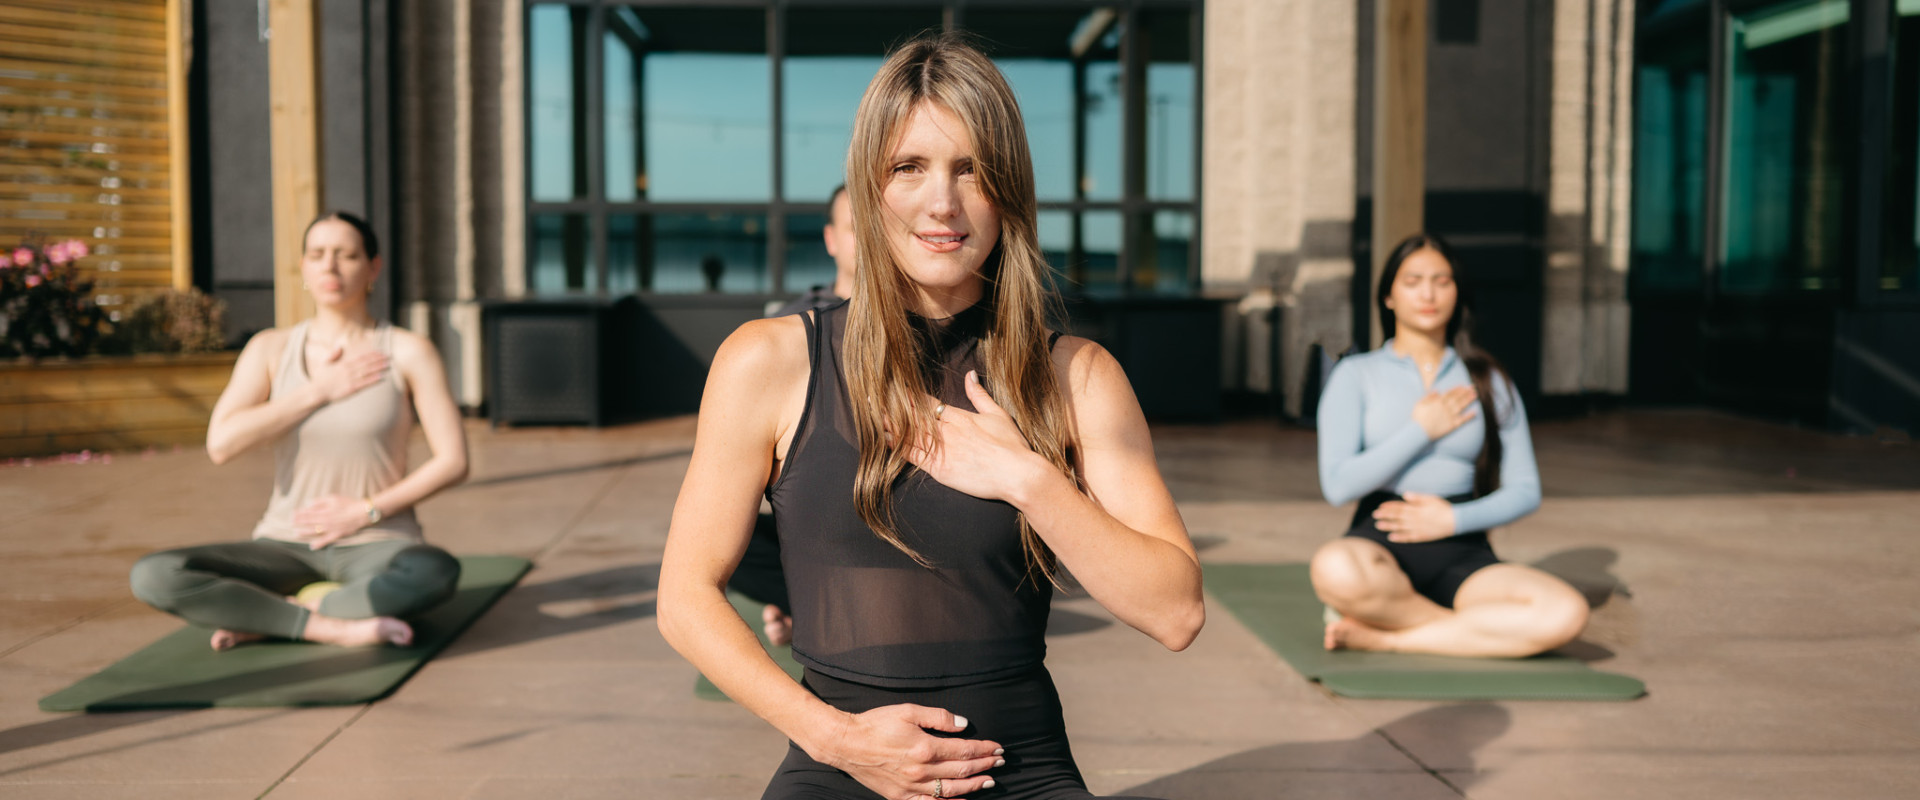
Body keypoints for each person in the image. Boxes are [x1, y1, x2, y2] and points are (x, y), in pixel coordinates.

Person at [658, 34, 1203, 800]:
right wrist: (836, 738)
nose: (941, 203)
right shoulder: (771, 361)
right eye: (909, 167)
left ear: (1008, 190)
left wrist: (1029, 479)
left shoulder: (1075, 376)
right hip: (839, 767)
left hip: (1022, 771)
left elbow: (1176, 611)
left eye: (971, 169)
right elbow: (684, 599)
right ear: (870, 185)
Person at [129, 212, 468, 650]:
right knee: (154, 574)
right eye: (318, 255)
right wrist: (318, 390)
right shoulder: (270, 348)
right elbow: (222, 444)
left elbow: (454, 461)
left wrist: (365, 510)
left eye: (347, 255)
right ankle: (330, 623)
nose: (330, 267)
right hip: (286, 542)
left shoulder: (407, 350)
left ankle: (279, 617)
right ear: (304, 268)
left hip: (378, 542)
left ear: (373, 268)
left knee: (435, 573)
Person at [1310, 233, 1588, 658]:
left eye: (1442, 281)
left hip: (1463, 547)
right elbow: (1337, 485)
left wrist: (1452, 520)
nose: (1428, 293)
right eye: (1413, 280)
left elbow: (1525, 489)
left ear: (1457, 294)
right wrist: (1422, 429)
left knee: (1566, 613)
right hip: (1381, 539)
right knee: (1332, 568)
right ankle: (1477, 632)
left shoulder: (1488, 379)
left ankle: (1390, 636)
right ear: (1388, 296)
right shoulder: (1356, 375)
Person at [769, 183, 859, 318]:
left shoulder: (901, 317)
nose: (867, 239)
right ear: (831, 239)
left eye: (876, 227)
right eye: (855, 228)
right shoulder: (791, 323)